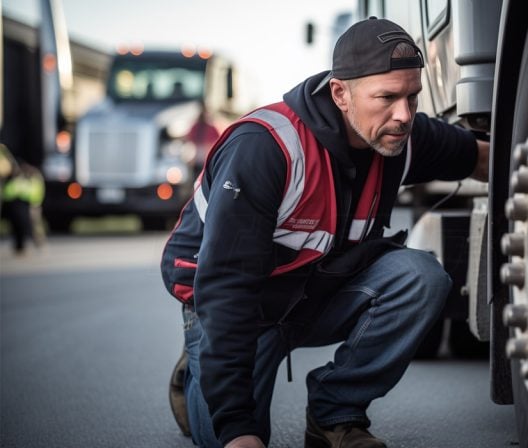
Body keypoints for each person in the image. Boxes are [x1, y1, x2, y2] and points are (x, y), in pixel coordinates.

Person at [161, 17, 489, 448]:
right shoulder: (267, 148)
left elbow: (485, 158)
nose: (404, 115)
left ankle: (334, 416)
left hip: (313, 297)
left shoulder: (395, 136)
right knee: (235, 435)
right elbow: (226, 289)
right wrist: (236, 425)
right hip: (239, 311)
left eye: (413, 96)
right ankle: (199, 366)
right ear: (340, 93)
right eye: (387, 97)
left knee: (420, 277)